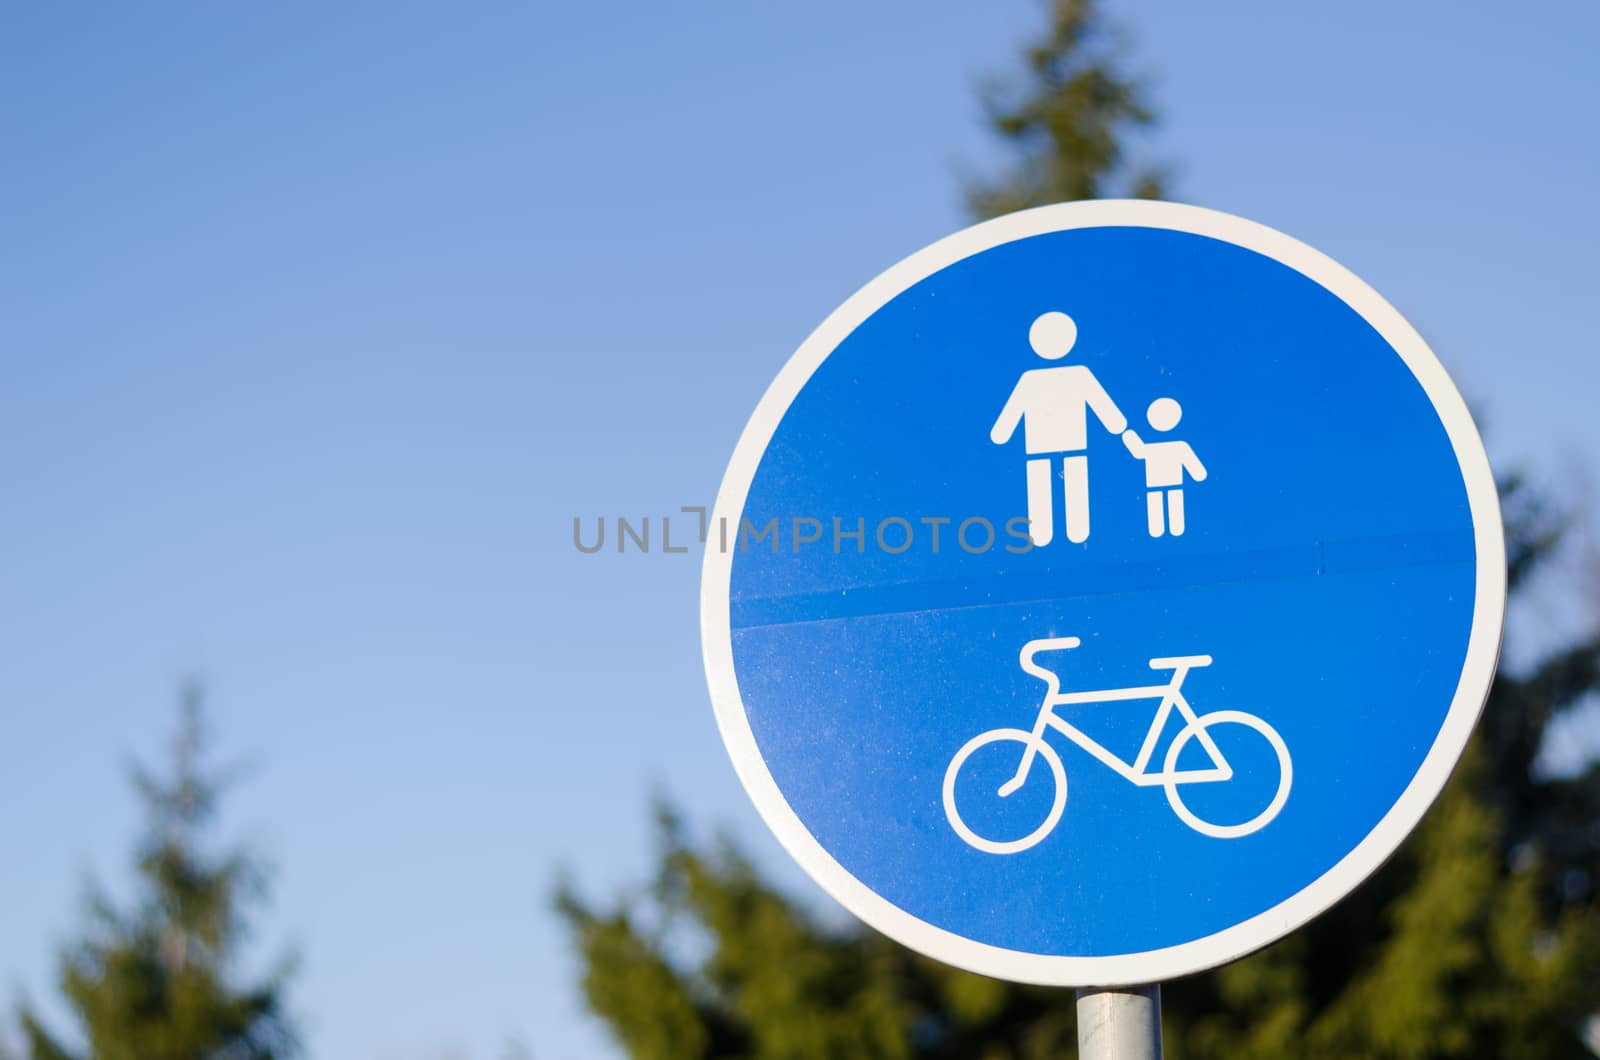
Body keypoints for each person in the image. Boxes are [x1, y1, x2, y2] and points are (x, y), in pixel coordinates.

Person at [990, 311, 1126, 545]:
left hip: (1043, 451)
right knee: (1066, 486)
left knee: (1047, 487)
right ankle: (1072, 534)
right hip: (1069, 448)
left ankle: (1050, 535)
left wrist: (1001, 435)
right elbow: (1112, 419)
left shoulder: (1033, 379)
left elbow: (1003, 427)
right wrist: (1117, 427)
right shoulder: (1074, 376)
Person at [1121, 397, 1207, 537]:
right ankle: (1167, 530)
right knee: (1164, 506)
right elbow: (1198, 471)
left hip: (1163, 485)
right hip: (1165, 485)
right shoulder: (1178, 446)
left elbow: (1138, 451)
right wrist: (1129, 437)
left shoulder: (1176, 446)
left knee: (1166, 506)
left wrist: (1128, 436)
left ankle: (1166, 530)